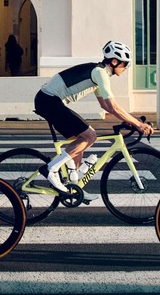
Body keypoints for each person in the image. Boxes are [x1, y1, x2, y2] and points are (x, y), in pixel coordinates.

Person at [33, 40, 153, 194]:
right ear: (114, 61)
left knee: (79, 140)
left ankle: (74, 187)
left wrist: (130, 119)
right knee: (90, 135)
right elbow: (113, 106)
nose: (126, 68)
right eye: (125, 64)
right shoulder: (100, 73)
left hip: (48, 100)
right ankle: (51, 169)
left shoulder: (99, 73)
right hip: (49, 100)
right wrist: (138, 124)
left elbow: (104, 105)